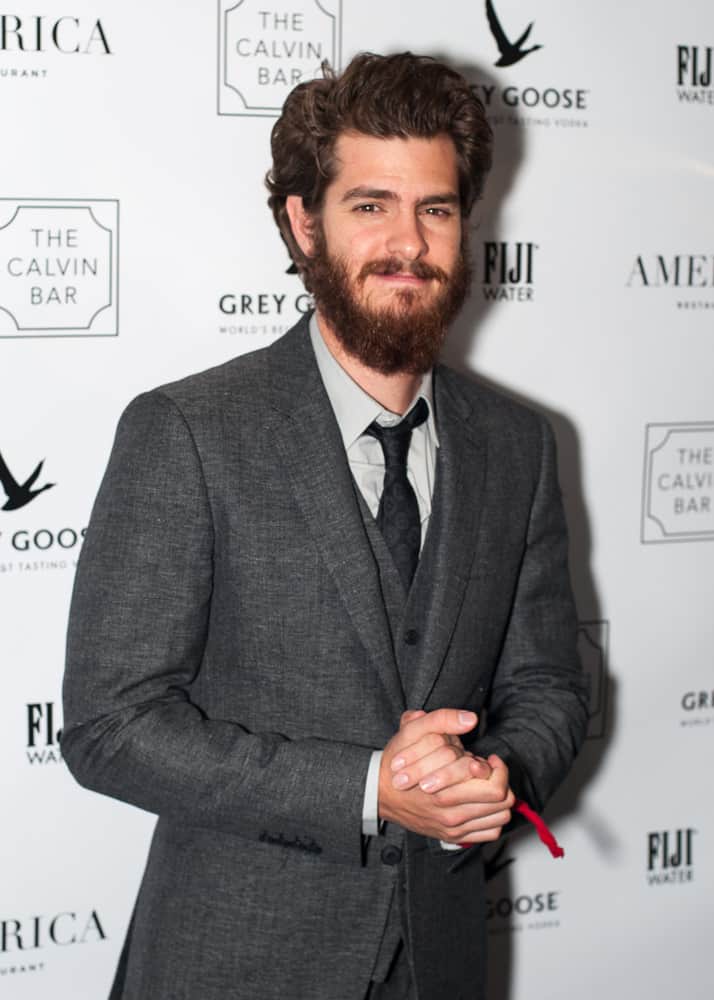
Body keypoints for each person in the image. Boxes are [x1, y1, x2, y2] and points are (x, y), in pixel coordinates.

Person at [63, 52, 589, 1000]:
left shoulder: (519, 445)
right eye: (369, 205)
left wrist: (496, 774)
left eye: (435, 208)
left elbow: (549, 684)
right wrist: (362, 790)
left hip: (441, 963)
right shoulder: (187, 432)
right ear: (304, 222)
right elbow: (110, 723)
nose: (409, 242)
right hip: (232, 963)